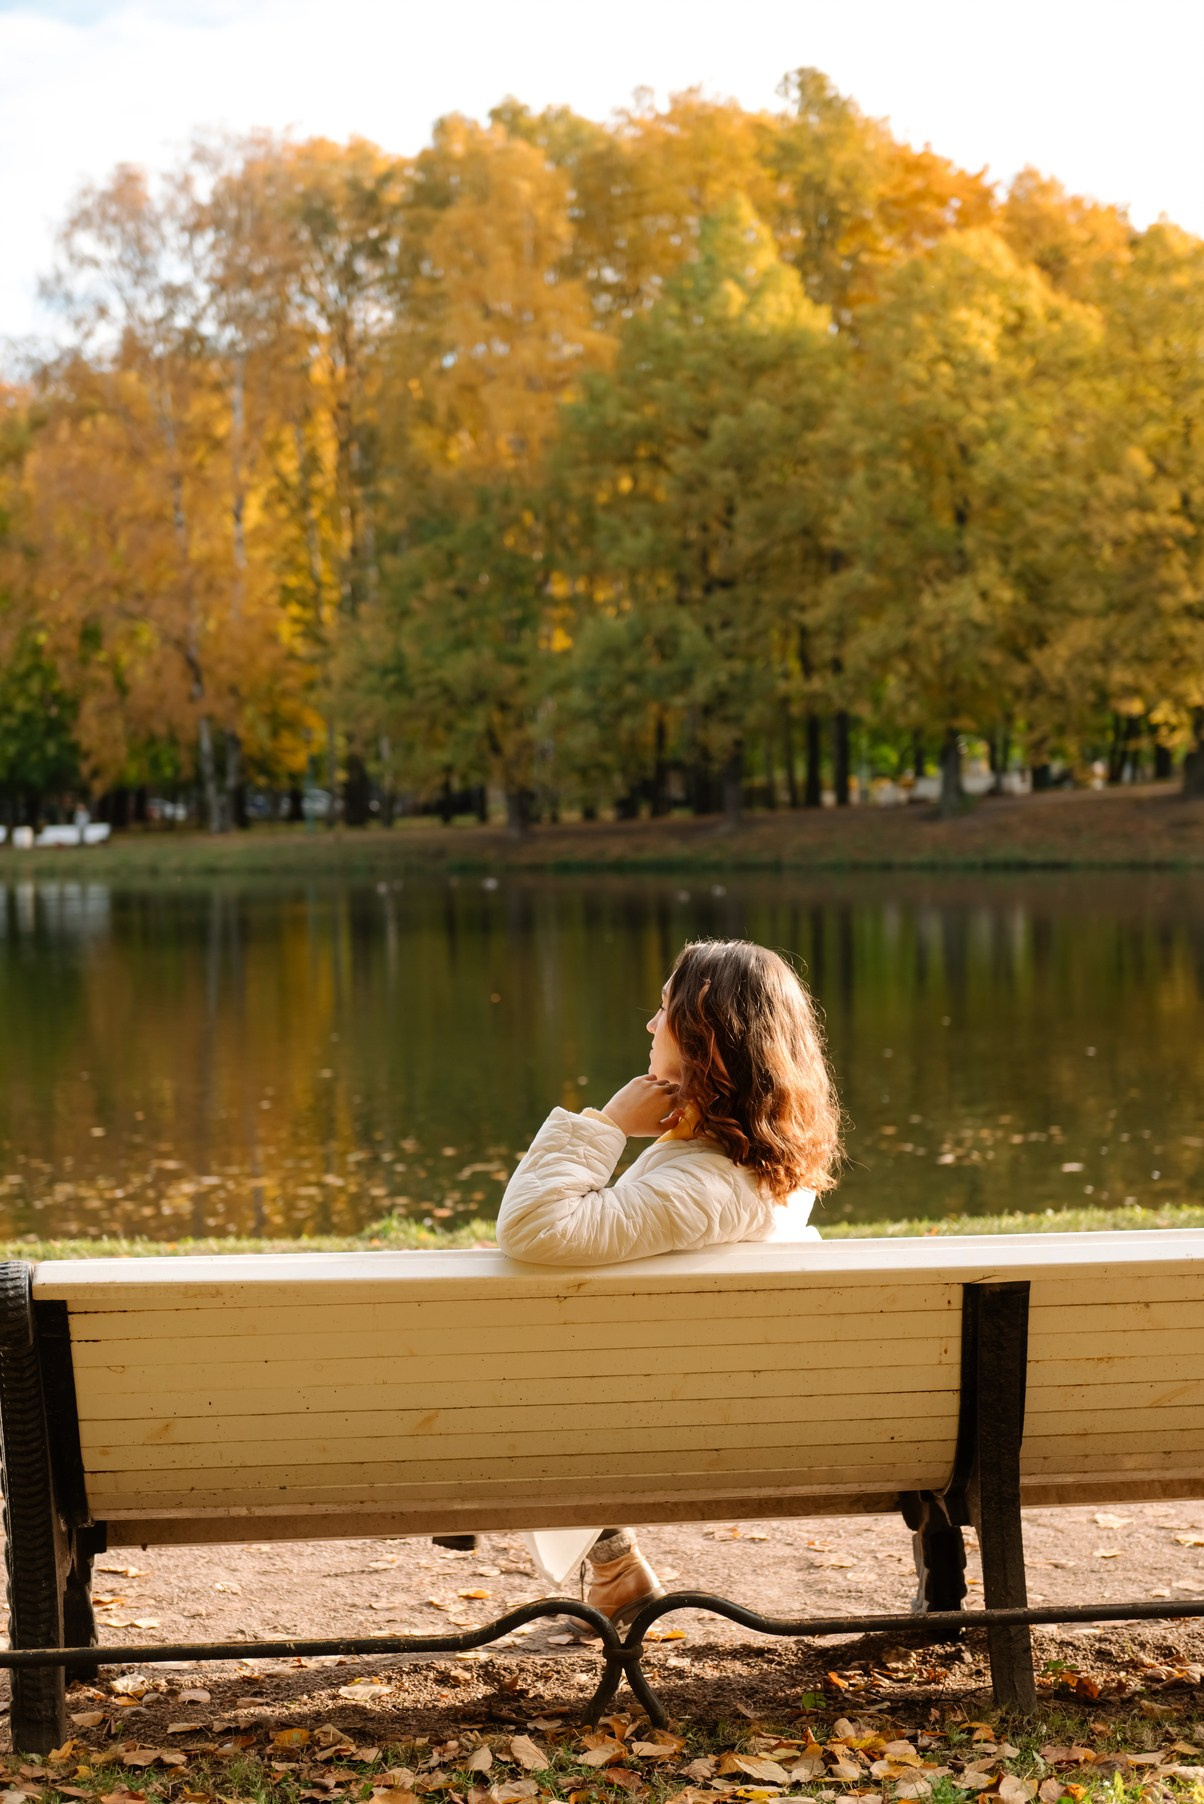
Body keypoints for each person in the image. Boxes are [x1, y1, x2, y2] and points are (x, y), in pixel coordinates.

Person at [496, 936, 842, 1624]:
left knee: (512, 1371)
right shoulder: (766, 1166)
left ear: (707, 1042)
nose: (651, 1027)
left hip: (636, 1412)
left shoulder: (705, 1183)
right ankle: (613, 1560)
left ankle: (609, 1552)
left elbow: (533, 1228)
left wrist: (605, 1127)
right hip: (696, 1390)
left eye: (664, 1014)